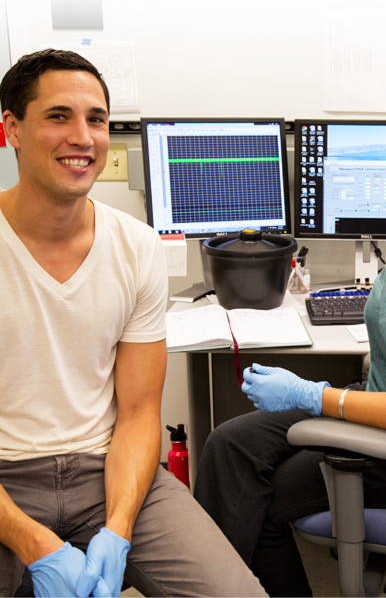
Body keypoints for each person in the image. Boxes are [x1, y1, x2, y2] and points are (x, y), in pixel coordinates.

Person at [193, 105, 386, 597]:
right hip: (371, 409)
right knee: (226, 445)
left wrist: (312, 394)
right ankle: (215, 587)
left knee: (260, 503)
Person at [0, 49, 266, 598]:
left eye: (95, 119)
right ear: (12, 130)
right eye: (58, 116)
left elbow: (141, 412)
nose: (83, 137)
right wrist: (31, 542)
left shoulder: (136, 245)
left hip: (107, 473)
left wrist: (117, 530)